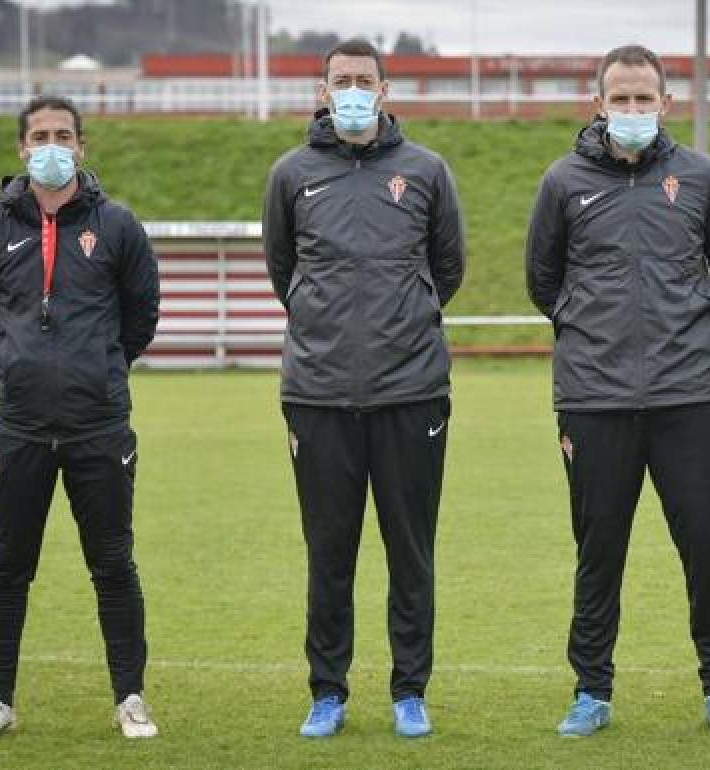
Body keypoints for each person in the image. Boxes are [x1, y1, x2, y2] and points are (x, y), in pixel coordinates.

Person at [526, 44, 710, 736]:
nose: (631, 110)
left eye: (642, 98)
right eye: (619, 99)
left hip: (687, 395)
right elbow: (544, 281)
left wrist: (685, 320)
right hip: (593, 400)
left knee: (705, 547)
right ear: (598, 104)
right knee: (599, 551)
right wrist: (588, 327)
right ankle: (591, 690)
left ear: (666, 102)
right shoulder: (563, 181)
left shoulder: (700, 176)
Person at [262, 38, 465, 739]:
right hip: (317, 396)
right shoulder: (291, 174)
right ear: (323, 92)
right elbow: (282, 268)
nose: (351, 90)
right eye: (339, 80)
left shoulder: (427, 171)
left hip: (411, 393)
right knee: (330, 553)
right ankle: (328, 692)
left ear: (384, 90)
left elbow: (448, 267)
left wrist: (400, 319)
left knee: (411, 553)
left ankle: (410, 691)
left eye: (363, 80)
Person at [0, 95, 161, 741]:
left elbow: (141, 315)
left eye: (64, 134)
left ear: (82, 145)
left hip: (97, 425)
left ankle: (130, 697)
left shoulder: (118, 225)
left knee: (113, 565)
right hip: (17, 426)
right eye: (40, 135)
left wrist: (97, 369)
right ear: (21, 148)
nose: (52, 144)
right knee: (7, 567)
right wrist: (19, 369)